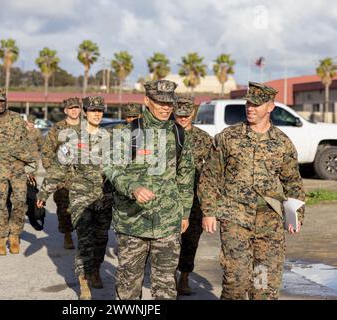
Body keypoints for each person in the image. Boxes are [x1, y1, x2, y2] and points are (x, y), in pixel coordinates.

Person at [198, 81, 306, 300]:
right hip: (235, 219)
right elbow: (210, 176)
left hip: (269, 223)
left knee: (262, 284)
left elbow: (293, 183)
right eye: (248, 103)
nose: (250, 108)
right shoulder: (228, 137)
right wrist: (209, 211)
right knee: (236, 281)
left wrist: (295, 216)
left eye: (257, 104)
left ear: (270, 107)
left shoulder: (282, 143)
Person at [104, 80, 195, 300]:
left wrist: (184, 213)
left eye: (169, 103)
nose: (165, 108)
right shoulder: (128, 132)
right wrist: (133, 187)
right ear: (147, 101)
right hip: (132, 221)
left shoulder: (180, 135)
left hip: (167, 222)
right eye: (159, 102)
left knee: (165, 287)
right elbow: (111, 168)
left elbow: (185, 176)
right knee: (128, 286)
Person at [37, 96, 113, 300]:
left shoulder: (109, 137)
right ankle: (84, 282)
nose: (98, 114)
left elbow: (120, 169)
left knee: (102, 238)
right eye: (93, 110)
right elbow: (59, 168)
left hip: (104, 197)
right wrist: (44, 192)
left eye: (101, 110)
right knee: (86, 239)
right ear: (85, 112)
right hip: (80, 195)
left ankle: (95, 269)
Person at [0, 88, 37, 256]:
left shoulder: (17, 119)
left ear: (6, 101)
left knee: (20, 202)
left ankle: (15, 235)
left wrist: (31, 168)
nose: (0, 104)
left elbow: (27, 143)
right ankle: (1, 239)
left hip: (17, 168)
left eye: (2, 101)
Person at [173, 95, 213, 295]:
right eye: (179, 114)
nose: (183, 118)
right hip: (170, 197)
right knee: (169, 241)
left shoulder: (204, 139)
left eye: (186, 114)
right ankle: (169, 277)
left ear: (193, 113)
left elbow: (212, 170)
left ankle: (185, 277)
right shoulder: (166, 135)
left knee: (191, 241)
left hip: (196, 199)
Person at [41, 97, 82, 249]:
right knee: (64, 208)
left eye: (76, 108)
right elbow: (46, 152)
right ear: (65, 111)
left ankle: (82, 235)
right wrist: (52, 172)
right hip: (63, 178)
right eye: (71, 108)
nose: (74, 110)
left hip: (82, 177)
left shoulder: (87, 127)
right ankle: (67, 235)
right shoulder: (57, 128)